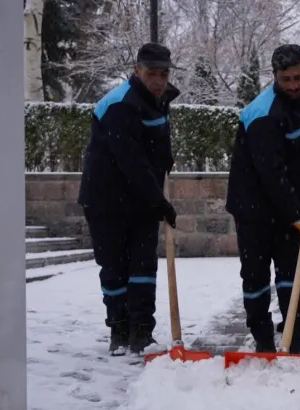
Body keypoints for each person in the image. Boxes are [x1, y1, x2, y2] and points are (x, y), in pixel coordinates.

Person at [77, 42, 180, 357]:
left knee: (144, 267)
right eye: (152, 73)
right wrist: (159, 202)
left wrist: (166, 163)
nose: (159, 80)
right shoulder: (121, 104)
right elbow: (131, 160)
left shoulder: (158, 100)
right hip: (106, 198)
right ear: (137, 70)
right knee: (115, 267)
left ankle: (142, 333)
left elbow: (155, 148)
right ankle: (120, 331)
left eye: (164, 74)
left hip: (141, 198)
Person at [225, 44, 300, 354]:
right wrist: (297, 216)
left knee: (293, 273)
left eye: (299, 78)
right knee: (256, 274)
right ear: (274, 76)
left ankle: (293, 336)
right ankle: (263, 338)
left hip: (287, 201)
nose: (293, 85)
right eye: (286, 79)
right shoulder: (263, 114)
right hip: (253, 206)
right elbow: (271, 174)